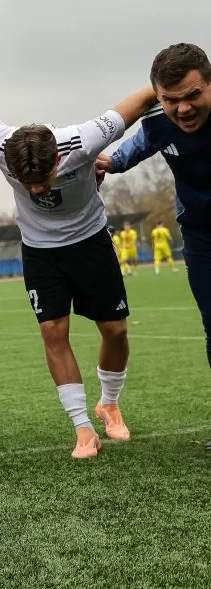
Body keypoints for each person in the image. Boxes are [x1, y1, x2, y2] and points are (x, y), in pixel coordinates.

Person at [0, 80, 158, 458]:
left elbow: (141, 98)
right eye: (25, 183)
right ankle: (83, 428)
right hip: (40, 251)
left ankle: (109, 403)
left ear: (57, 160)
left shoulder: (84, 140)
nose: (35, 191)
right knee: (53, 331)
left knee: (115, 330)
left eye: (41, 181)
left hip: (90, 243)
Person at [98, 42, 211, 379]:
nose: (184, 109)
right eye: (170, 100)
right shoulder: (159, 120)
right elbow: (140, 143)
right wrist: (111, 162)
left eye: (192, 95)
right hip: (201, 236)